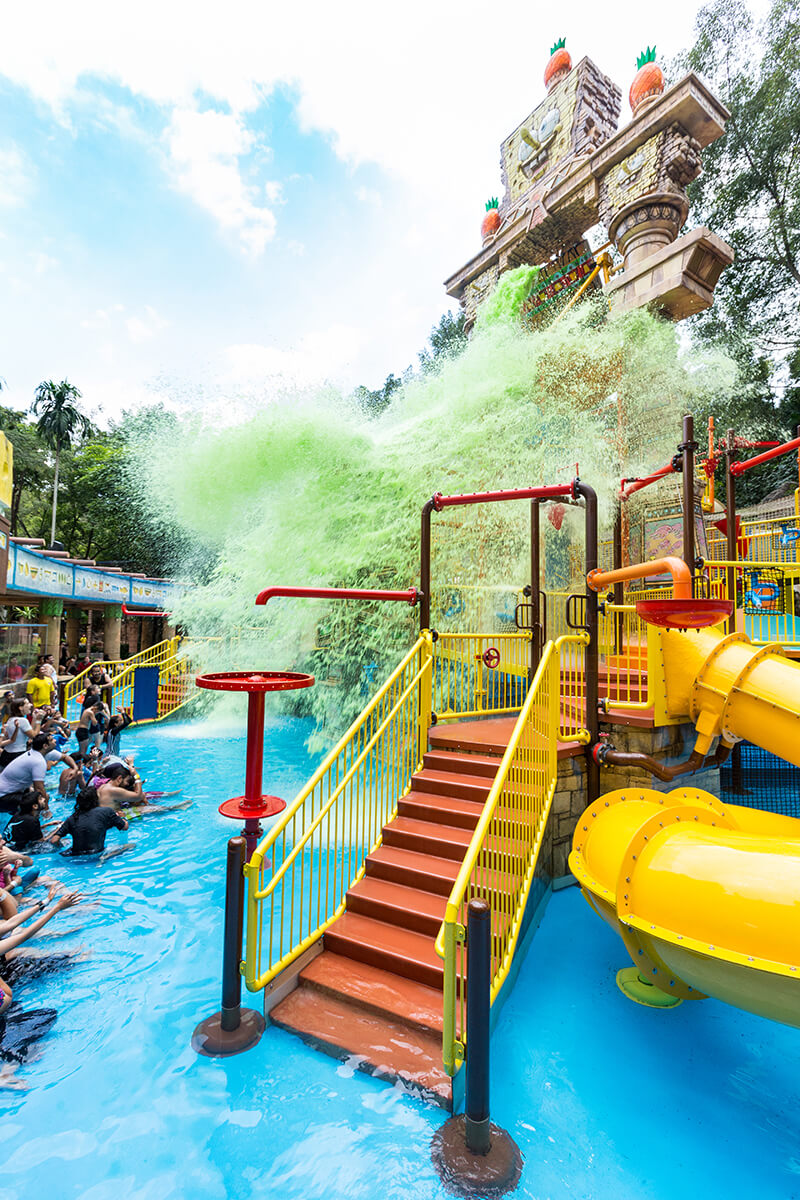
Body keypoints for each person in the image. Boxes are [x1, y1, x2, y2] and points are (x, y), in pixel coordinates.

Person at [49, 788, 129, 855]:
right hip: (96, 854)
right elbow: (125, 827)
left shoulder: (72, 818)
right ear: (95, 800)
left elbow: (54, 840)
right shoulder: (106, 811)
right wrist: (122, 818)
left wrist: (60, 846)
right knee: (131, 846)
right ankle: (104, 857)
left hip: (74, 855)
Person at [0, 734, 54, 816]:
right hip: (3, 797)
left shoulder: (32, 753)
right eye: (52, 740)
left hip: (6, 793)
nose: (55, 740)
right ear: (45, 746)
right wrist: (46, 810)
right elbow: (39, 789)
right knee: (36, 803)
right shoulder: (38, 761)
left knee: (36, 796)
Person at [0, 699, 39, 771]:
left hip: (6, 755)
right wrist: (39, 720)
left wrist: (34, 718)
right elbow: (34, 736)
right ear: (20, 708)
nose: (31, 705)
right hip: (17, 755)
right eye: (27, 704)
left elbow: (29, 730)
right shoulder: (22, 721)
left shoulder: (10, 719)